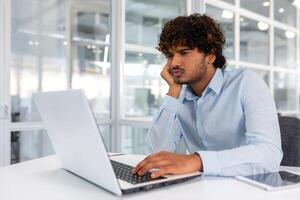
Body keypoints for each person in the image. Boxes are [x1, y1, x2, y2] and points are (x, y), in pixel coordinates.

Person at [132, 14, 282, 178]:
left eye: (184, 53)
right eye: (169, 55)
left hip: (248, 186)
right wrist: (173, 91)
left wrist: (197, 161)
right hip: (200, 188)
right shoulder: (178, 96)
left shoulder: (246, 83)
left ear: (210, 55)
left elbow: (269, 155)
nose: (173, 63)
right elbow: (156, 154)